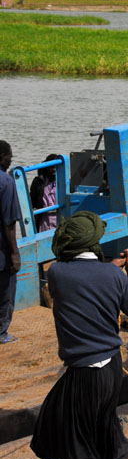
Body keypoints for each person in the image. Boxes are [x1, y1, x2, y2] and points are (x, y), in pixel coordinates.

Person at [30, 211, 128, 459]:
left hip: (85, 372)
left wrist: (110, 270)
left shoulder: (57, 273)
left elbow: (80, 276)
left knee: (70, 443)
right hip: (112, 368)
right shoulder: (114, 275)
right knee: (104, 427)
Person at [0, 140, 21, 345]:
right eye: (9, 157)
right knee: (6, 291)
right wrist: (15, 254)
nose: (9, 161)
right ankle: (1, 333)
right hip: (2, 252)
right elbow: (9, 222)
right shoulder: (6, 182)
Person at [30, 153, 59, 232]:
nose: (54, 170)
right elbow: (32, 201)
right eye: (51, 167)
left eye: (56, 167)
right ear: (46, 167)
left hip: (59, 217)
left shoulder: (64, 182)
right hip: (44, 219)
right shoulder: (39, 182)